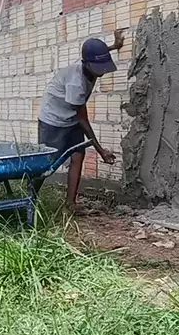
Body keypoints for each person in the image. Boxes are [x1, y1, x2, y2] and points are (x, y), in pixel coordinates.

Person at [33, 30, 125, 214]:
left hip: (71, 117)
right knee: (46, 163)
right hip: (53, 120)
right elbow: (83, 120)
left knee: (77, 156)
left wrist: (114, 47)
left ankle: (70, 205)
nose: (101, 71)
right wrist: (101, 151)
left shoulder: (89, 63)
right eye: (98, 67)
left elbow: (96, 54)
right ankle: (29, 199)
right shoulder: (76, 83)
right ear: (86, 64)